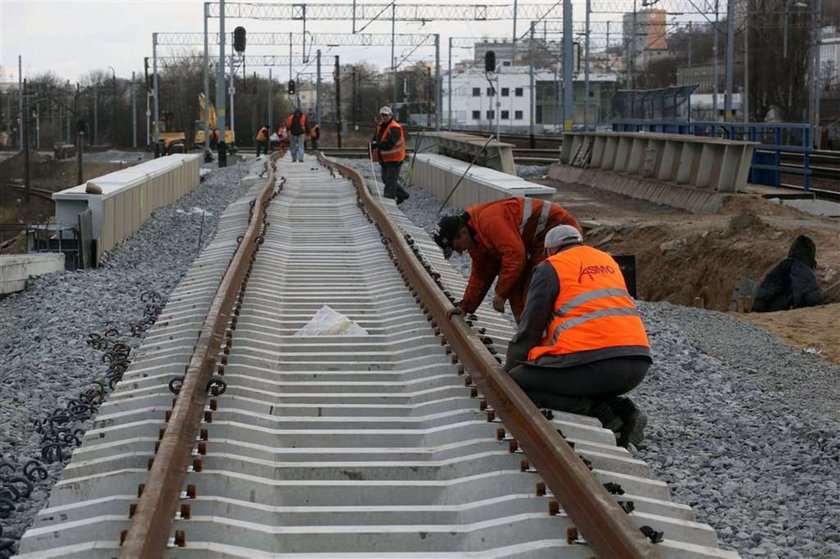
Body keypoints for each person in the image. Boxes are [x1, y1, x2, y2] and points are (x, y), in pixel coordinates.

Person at [503, 225, 651, 448]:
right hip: (638, 363)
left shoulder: (551, 267)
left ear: (551, 250)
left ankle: (604, 416)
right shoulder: (607, 261)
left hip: (596, 365)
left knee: (519, 382)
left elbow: (530, 328)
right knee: (577, 379)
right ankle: (624, 411)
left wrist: (510, 369)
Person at [434, 197, 581, 322]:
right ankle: (529, 340)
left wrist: (500, 293)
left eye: (456, 246)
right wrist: (465, 307)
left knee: (536, 287)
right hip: (536, 241)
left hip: (557, 231)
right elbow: (481, 274)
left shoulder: (488, 221)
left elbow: (515, 257)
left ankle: (544, 339)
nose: (459, 252)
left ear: (462, 233)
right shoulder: (475, 240)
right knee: (517, 289)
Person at [752, 235, 824, 312]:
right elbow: (811, 298)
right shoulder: (806, 272)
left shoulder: (784, 264)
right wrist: (821, 294)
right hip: (789, 313)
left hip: (771, 310)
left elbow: (766, 288)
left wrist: (758, 306)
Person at [370, 106, 409, 204]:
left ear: (390, 115)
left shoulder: (394, 128)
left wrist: (376, 145)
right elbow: (376, 139)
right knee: (386, 179)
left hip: (395, 159)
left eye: (386, 115)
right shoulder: (380, 126)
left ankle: (389, 202)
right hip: (385, 159)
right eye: (382, 115)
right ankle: (402, 194)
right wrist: (372, 146)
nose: (384, 117)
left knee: (390, 182)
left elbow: (389, 145)